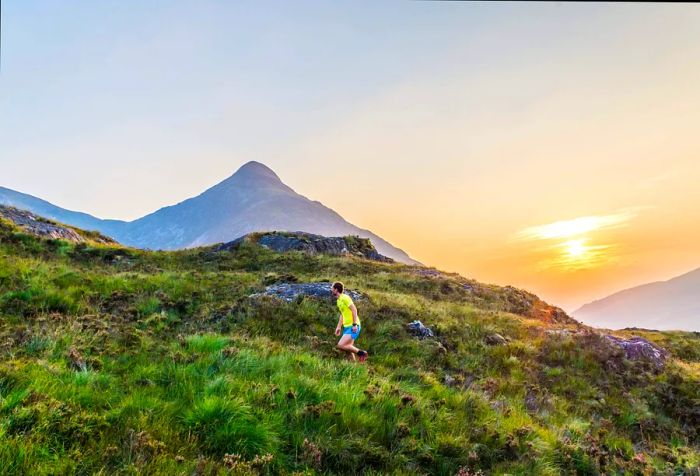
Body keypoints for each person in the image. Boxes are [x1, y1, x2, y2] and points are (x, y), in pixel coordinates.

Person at [331, 281, 368, 363]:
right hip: (346, 326)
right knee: (348, 349)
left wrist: (354, 324)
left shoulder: (345, 298)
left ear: (336, 290)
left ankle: (362, 353)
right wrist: (338, 327)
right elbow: (342, 314)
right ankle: (353, 367)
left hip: (353, 326)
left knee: (340, 345)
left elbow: (354, 310)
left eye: (332, 288)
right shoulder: (338, 301)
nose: (331, 290)